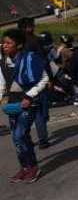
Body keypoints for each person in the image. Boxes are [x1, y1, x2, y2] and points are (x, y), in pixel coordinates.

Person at [1, 29, 49, 183]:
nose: (4, 46)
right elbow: (2, 83)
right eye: (3, 42)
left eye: (9, 43)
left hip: (28, 102)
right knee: (17, 139)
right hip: (13, 103)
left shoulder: (30, 58)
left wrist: (29, 96)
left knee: (19, 135)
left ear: (19, 45)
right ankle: (25, 167)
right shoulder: (3, 61)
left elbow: (44, 79)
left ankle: (33, 167)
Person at [17, 17, 50, 149]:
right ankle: (43, 140)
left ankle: (24, 138)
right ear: (29, 27)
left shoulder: (16, 42)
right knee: (38, 112)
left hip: (19, 80)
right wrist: (49, 79)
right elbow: (44, 60)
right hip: (36, 79)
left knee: (22, 111)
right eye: (32, 25)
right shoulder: (36, 41)